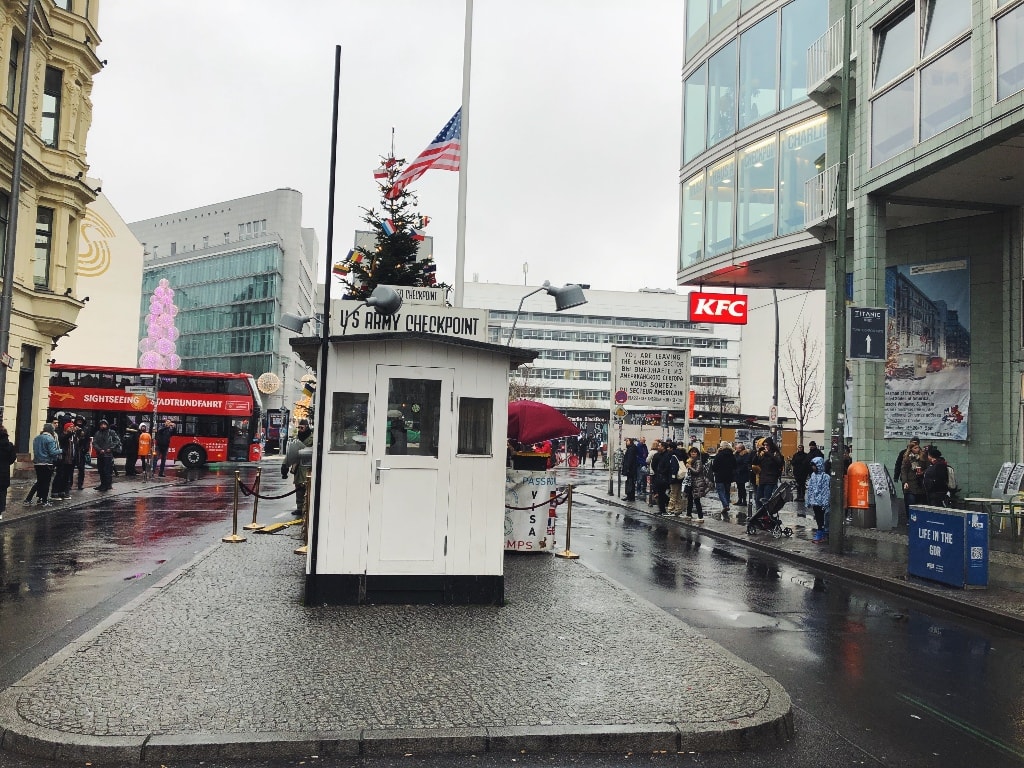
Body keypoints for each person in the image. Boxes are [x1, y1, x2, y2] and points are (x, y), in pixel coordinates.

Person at [282, 418, 315, 514]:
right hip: (297, 466)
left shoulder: (313, 438)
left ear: (307, 427)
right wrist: (285, 465)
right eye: (299, 427)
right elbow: (291, 453)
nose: (300, 429)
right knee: (298, 488)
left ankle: (308, 507)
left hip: (308, 467)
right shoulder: (296, 439)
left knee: (307, 488)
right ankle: (300, 508)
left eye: (302, 427)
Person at [27, 422, 61, 505]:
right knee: (46, 482)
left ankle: (30, 499)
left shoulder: (36, 438)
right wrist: (61, 450)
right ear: (51, 430)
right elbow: (52, 452)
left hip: (37, 463)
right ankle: (44, 500)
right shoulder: (50, 439)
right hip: (47, 463)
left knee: (39, 482)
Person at [753, 437, 784, 508]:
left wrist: (769, 454)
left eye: (767, 445)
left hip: (771, 479)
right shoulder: (762, 454)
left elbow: (779, 462)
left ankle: (766, 514)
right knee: (758, 498)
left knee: (766, 498)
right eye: (764, 445)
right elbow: (754, 462)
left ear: (771, 445)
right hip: (762, 478)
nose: (765, 447)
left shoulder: (776, 453)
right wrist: (757, 452)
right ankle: (759, 513)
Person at [806, 455, 830, 543]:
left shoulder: (825, 477)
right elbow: (810, 488)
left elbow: (826, 490)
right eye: (812, 465)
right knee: (818, 517)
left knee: (823, 517)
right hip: (815, 501)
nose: (813, 467)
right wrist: (809, 500)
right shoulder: (813, 475)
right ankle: (821, 531)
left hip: (821, 502)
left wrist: (825, 502)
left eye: (814, 465)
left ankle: (822, 532)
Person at [92, 419, 121, 491]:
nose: (103, 426)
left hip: (108, 455)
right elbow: (94, 443)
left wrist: (111, 448)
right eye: (101, 424)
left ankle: (108, 485)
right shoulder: (97, 433)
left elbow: (117, 441)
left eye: (104, 424)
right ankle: (103, 484)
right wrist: (99, 449)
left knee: (107, 471)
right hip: (100, 454)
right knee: (101, 470)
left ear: (107, 425)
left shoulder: (111, 432)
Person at [711, 440, 736, 521]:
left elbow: (714, 467)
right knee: (726, 491)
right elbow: (735, 465)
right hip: (728, 476)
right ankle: (727, 505)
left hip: (719, 476)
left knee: (720, 491)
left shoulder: (719, 455)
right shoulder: (732, 455)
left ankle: (725, 505)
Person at [651, 440, 677, 515]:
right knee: (660, 493)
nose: (658, 447)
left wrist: (662, 472)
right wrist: (658, 472)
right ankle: (663, 509)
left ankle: (664, 509)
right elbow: (653, 465)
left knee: (661, 493)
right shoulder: (657, 455)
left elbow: (668, 466)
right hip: (658, 477)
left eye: (660, 446)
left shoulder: (668, 455)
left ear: (664, 447)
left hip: (665, 477)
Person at [899, 440, 926, 511]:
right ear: (911, 449)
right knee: (910, 502)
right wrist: (905, 482)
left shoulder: (922, 457)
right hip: (910, 483)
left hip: (920, 483)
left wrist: (922, 472)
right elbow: (904, 470)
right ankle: (909, 519)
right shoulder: (907, 458)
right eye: (915, 448)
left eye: (918, 448)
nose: (917, 449)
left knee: (920, 504)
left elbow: (928, 468)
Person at [54, 422, 78, 500]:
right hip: (63, 459)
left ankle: (64, 491)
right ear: (66, 428)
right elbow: (63, 439)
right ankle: (55, 492)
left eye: (72, 427)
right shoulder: (62, 435)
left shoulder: (73, 436)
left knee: (67, 477)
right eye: (69, 427)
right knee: (60, 476)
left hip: (71, 459)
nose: (71, 428)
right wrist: (71, 433)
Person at [683, 446, 708, 522]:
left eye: (694, 452)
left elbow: (697, 471)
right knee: (690, 499)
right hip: (691, 482)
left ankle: (700, 517)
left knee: (697, 500)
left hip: (697, 483)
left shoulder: (698, 461)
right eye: (691, 452)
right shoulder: (690, 461)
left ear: (697, 453)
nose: (693, 453)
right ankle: (688, 514)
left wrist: (690, 467)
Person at [0, 425, 17, 520]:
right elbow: (12, 458)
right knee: (2, 492)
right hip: (4, 471)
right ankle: (0, 512)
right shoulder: (9, 445)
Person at [72, 415, 90, 490]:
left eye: (80, 420)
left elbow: (87, 440)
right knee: (70, 468)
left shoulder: (85, 429)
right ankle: (69, 484)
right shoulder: (73, 428)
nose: (79, 422)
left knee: (81, 469)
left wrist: (85, 449)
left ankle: (80, 484)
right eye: (78, 420)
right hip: (73, 450)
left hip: (81, 451)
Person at [734, 442, 751, 509]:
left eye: (737, 448)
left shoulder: (745, 454)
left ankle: (744, 501)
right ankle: (739, 500)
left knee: (742, 487)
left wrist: (740, 470)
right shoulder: (736, 454)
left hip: (742, 473)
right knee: (739, 487)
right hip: (737, 473)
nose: (736, 449)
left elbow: (745, 463)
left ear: (741, 448)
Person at [621, 437, 638, 502]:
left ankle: (630, 496)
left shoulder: (631, 449)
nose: (626, 442)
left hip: (630, 469)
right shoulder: (631, 448)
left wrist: (627, 468)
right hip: (631, 469)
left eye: (627, 441)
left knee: (630, 482)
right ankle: (630, 496)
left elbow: (629, 460)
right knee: (630, 482)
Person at [635, 436, 649, 501]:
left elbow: (646, 454)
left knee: (644, 478)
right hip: (640, 464)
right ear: (640, 440)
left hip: (644, 463)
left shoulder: (644, 446)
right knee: (640, 478)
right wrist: (642, 461)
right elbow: (638, 456)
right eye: (643, 440)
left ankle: (643, 489)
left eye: (644, 440)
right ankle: (638, 490)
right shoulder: (638, 447)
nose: (644, 441)